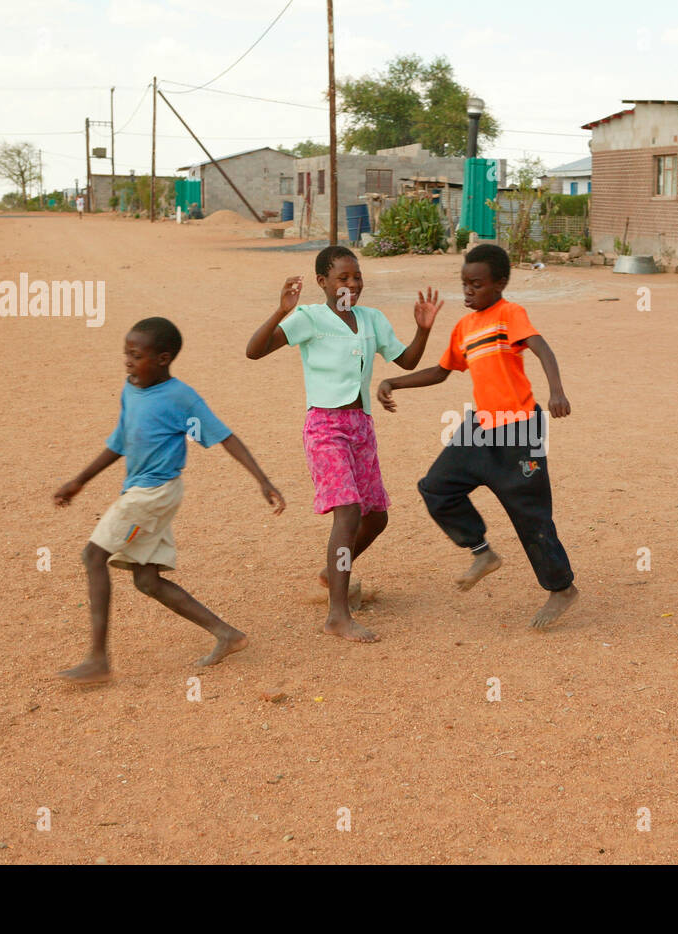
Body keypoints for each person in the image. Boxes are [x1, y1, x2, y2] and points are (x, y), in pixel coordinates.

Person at [54, 317, 285, 684]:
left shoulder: (181, 398)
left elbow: (225, 436)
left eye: (136, 355)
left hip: (154, 493)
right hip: (142, 492)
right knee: (147, 580)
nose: (128, 361)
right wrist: (79, 480)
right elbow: (120, 441)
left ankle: (98, 659)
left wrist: (262, 480)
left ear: (163, 359)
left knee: (93, 555)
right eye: (126, 354)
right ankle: (227, 634)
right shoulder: (131, 389)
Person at [377, 244, 579, 630]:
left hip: (521, 429)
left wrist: (556, 391)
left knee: (531, 516)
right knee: (436, 487)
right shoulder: (464, 328)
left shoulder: (510, 315)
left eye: (477, 284)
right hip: (480, 429)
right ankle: (482, 552)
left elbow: (542, 349)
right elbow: (439, 372)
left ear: (500, 283)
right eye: (465, 285)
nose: (469, 292)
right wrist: (392, 382)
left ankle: (561, 588)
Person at [246, 245, 438, 643]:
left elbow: (406, 362)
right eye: (342, 278)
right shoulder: (309, 318)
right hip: (325, 426)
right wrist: (282, 310)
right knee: (347, 512)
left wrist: (423, 329)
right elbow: (254, 351)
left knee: (377, 517)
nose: (352, 284)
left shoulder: (372, 319)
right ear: (322, 283)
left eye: (357, 277)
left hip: (361, 425)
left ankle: (332, 573)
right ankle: (338, 615)